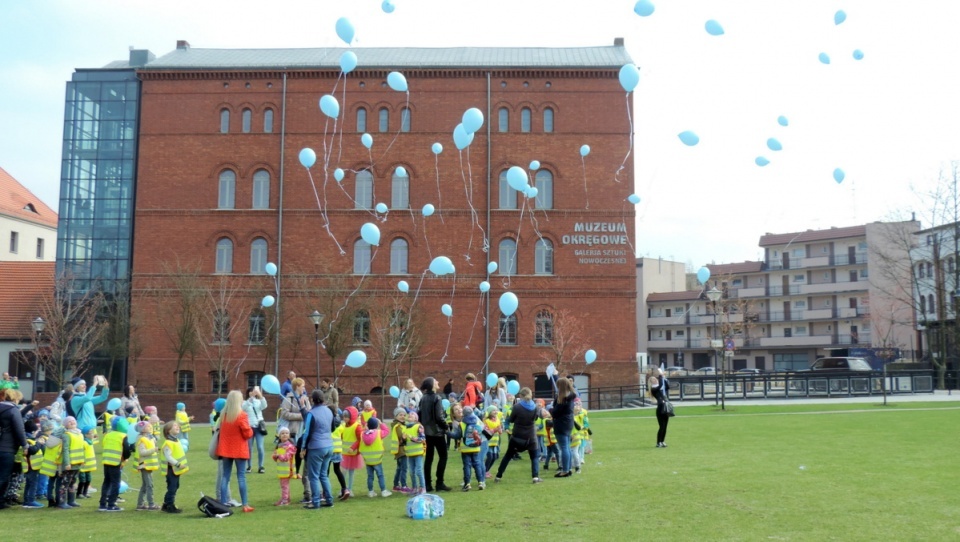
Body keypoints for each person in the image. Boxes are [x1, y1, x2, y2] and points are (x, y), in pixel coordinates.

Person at [494, 387, 544, 483]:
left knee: (508, 456)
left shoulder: (517, 407)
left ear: (520, 396)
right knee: (534, 457)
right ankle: (535, 477)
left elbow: (511, 419)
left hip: (517, 435)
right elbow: (536, 419)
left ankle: (498, 476)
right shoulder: (535, 407)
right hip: (531, 436)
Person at [215, 390, 254, 513]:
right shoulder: (241, 415)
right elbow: (247, 433)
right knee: (241, 477)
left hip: (225, 449)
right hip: (239, 449)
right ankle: (245, 504)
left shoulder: (223, 415)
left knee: (225, 476)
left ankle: (222, 503)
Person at [299, 389, 335, 509]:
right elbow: (332, 427)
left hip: (316, 447)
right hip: (329, 446)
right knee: (323, 475)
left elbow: (306, 432)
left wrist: (303, 447)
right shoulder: (329, 411)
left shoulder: (311, 413)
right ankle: (329, 500)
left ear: (312, 400)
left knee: (313, 476)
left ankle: (315, 502)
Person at [419, 377, 450, 492]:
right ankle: (439, 483)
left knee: (429, 459)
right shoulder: (437, 397)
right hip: (437, 432)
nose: (438, 382)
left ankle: (428, 484)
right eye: (435, 381)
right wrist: (446, 427)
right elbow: (439, 417)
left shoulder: (423, 398)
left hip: (427, 432)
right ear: (432, 385)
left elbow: (420, 414)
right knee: (443, 456)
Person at [0, 389, 28, 509]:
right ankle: (0, 501)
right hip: (7, 447)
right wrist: (25, 445)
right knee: (3, 476)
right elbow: (19, 429)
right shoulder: (13, 410)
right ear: (15, 398)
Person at [98, 416, 130, 512]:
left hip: (106, 460)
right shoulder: (123, 436)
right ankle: (111, 504)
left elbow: (103, 445)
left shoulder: (108, 434)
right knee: (116, 483)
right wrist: (125, 458)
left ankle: (102, 504)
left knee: (106, 482)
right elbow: (126, 450)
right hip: (116, 462)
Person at [450, 405, 484, 491]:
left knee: (467, 466)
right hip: (476, 447)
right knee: (477, 465)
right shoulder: (478, 422)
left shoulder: (462, 424)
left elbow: (457, 435)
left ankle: (467, 484)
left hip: (465, 448)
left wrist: (447, 433)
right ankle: (480, 482)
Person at [278, 378, 307, 478]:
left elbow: (309, 411)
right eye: (302, 386)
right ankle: (290, 471)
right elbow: (284, 414)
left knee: (299, 451)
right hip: (292, 429)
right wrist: (300, 416)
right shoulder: (288, 398)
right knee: (290, 451)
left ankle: (297, 471)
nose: (304, 388)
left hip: (303, 428)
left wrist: (305, 415)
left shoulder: (305, 398)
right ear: (297, 386)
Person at [356, 417, 391, 497]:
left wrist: (365, 426)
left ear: (368, 425)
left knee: (370, 476)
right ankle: (383, 491)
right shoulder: (379, 433)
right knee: (380, 475)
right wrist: (381, 423)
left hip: (368, 460)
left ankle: (371, 491)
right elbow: (387, 431)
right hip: (377, 459)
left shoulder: (363, 434)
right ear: (376, 425)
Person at [549, 377, 577, 478]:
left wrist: (550, 410)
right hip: (568, 423)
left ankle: (565, 470)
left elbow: (555, 412)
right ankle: (568, 468)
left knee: (564, 447)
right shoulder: (570, 396)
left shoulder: (563, 399)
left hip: (561, 424)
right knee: (567, 447)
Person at [160, 421, 188, 513]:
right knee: (172, 487)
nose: (177, 427)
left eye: (177, 425)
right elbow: (168, 457)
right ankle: (170, 505)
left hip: (175, 469)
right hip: (171, 469)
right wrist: (178, 464)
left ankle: (165, 504)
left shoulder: (176, 440)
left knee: (175, 486)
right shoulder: (168, 443)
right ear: (168, 431)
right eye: (174, 426)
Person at [134, 420, 161, 511]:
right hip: (145, 465)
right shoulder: (141, 439)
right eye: (147, 427)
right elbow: (142, 452)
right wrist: (154, 449)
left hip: (149, 465)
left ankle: (140, 504)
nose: (150, 427)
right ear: (142, 429)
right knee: (149, 485)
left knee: (145, 485)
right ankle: (151, 504)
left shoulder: (149, 438)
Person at [338, 406, 363, 500]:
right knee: (343, 472)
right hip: (345, 453)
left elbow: (360, 439)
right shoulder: (343, 425)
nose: (344, 418)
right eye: (343, 417)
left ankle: (350, 489)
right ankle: (343, 489)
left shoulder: (357, 426)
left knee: (351, 472)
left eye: (346, 416)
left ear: (352, 416)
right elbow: (341, 436)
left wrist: (353, 447)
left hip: (353, 453)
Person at [242, 387, 268, 473]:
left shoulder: (258, 402)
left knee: (260, 447)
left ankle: (261, 466)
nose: (252, 393)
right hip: (249, 427)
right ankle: (249, 466)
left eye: (253, 391)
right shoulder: (245, 402)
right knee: (249, 448)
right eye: (250, 391)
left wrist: (260, 395)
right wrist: (251, 398)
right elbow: (243, 408)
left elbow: (264, 405)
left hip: (258, 426)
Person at [401, 412, 426, 494]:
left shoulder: (419, 426)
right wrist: (403, 439)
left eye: (413, 415)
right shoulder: (405, 428)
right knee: (411, 472)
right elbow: (404, 443)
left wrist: (413, 438)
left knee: (419, 471)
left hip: (418, 452)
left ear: (416, 418)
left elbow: (422, 439)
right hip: (410, 454)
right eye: (409, 414)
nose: (410, 415)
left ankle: (422, 487)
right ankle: (414, 487)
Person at [271, 426, 296, 506]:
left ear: (289, 435)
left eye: (286, 433)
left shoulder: (290, 446)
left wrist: (278, 456)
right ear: (279, 435)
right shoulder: (279, 446)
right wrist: (275, 456)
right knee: (284, 485)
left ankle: (285, 500)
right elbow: (275, 457)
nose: (284, 435)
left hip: (287, 470)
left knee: (284, 485)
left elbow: (286, 457)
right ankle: (286, 498)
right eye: (282, 433)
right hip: (282, 470)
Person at [648, 366, 671, 448]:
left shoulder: (660, 386)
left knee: (665, 426)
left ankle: (662, 441)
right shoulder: (653, 389)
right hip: (660, 408)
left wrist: (664, 379)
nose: (654, 380)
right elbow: (660, 385)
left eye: (655, 379)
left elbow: (667, 387)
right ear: (651, 382)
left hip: (666, 406)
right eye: (652, 380)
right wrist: (661, 375)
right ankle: (658, 442)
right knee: (661, 426)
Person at [390, 408, 409, 493]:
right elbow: (402, 437)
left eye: (404, 415)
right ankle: (404, 485)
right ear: (396, 416)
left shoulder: (401, 425)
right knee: (404, 468)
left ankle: (396, 485)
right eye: (400, 415)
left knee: (399, 468)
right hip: (401, 450)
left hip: (399, 450)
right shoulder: (397, 426)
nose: (403, 417)